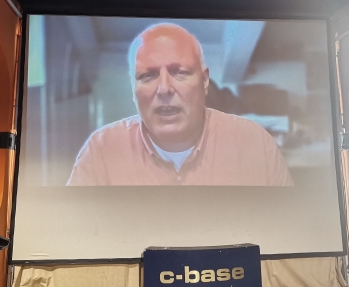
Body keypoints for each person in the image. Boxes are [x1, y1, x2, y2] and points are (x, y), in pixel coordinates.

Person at [67, 23, 293, 186]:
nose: (164, 88)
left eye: (180, 73)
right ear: (133, 88)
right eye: (148, 76)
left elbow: (287, 240)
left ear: (205, 81)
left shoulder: (256, 146)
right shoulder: (100, 151)